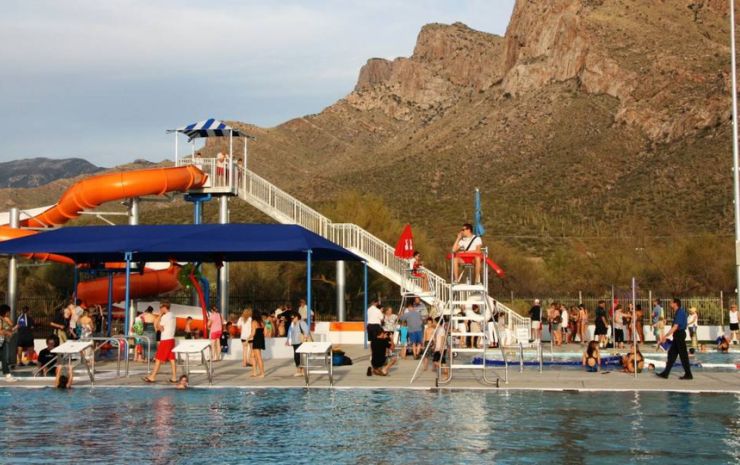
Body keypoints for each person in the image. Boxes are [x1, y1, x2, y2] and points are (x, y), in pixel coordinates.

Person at [656, 298, 693, 380]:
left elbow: (675, 327)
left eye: (671, 302)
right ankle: (665, 373)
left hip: (679, 335)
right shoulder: (678, 312)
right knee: (672, 354)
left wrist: (665, 336)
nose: (669, 303)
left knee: (683, 355)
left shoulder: (680, 312)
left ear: (675, 304)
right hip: (677, 335)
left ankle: (688, 374)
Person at [143, 302, 177, 384]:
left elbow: (158, 328)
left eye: (160, 307)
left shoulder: (165, 316)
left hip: (165, 339)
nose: (160, 309)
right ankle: (174, 377)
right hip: (171, 339)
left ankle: (152, 377)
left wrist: (159, 316)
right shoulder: (173, 315)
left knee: (158, 358)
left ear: (164, 307)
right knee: (172, 359)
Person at [286, 313, 310, 377]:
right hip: (294, 342)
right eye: (291, 318)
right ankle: (299, 370)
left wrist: (305, 337)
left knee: (300, 356)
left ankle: (301, 370)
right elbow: (289, 332)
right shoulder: (292, 324)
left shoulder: (301, 322)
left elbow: (306, 330)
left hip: (300, 342)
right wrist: (288, 340)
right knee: (296, 356)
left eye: (293, 317)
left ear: (297, 317)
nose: (292, 319)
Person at [0, 304, 17, 382]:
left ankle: (7, 375)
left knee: (4, 358)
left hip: (2, 341)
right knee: (3, 358)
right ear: (5, 311)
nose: (9, 313)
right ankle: (7, 375)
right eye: (8, 312)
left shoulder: (3, 319)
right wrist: (7, 333)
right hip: (1, 340)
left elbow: (10, 326)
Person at [250, 311, 265, 378]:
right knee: (253, 355)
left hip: (256, 339)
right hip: (261, 339)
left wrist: (247, 339)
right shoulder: (261, 322)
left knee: (258, 357)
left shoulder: (254, 322)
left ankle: (262, 373)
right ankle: (255, 372)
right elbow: (264, 331)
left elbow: (253, 333)